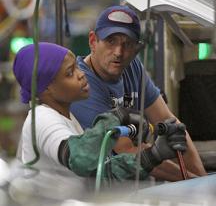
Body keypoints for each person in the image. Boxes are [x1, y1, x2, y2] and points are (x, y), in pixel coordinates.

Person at [13, 42, 187, 185]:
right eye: (70, 72)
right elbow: (80, 159)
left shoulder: (67, 118)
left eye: (77, 68)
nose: (81, 75)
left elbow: (100, 174)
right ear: (47, 87)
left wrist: (153, 155)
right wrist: (115, 117)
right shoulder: (42, 118)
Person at [70, 5, 207, 180]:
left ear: (137, 48)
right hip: (99, 189)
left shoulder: (132, 67)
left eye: (127, 44)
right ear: (93, 41)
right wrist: (192, 182)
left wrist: (203, 181)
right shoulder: (83, 85)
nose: (119, 52)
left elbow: (170, 123)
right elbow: (127, 150)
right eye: (110, 41)